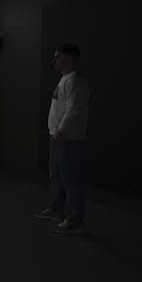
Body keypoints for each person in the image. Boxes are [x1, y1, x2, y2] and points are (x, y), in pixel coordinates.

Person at [34, 43, 91, 235]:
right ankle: (56, 211)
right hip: (58, 137)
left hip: (68, 139)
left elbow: (74, 108)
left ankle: (75, 221)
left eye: (58, 56)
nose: (55, 60)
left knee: (71, 180)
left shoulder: (76, 82)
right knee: (57, 177)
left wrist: (61, 129)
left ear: (70, 58)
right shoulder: (65, 80)